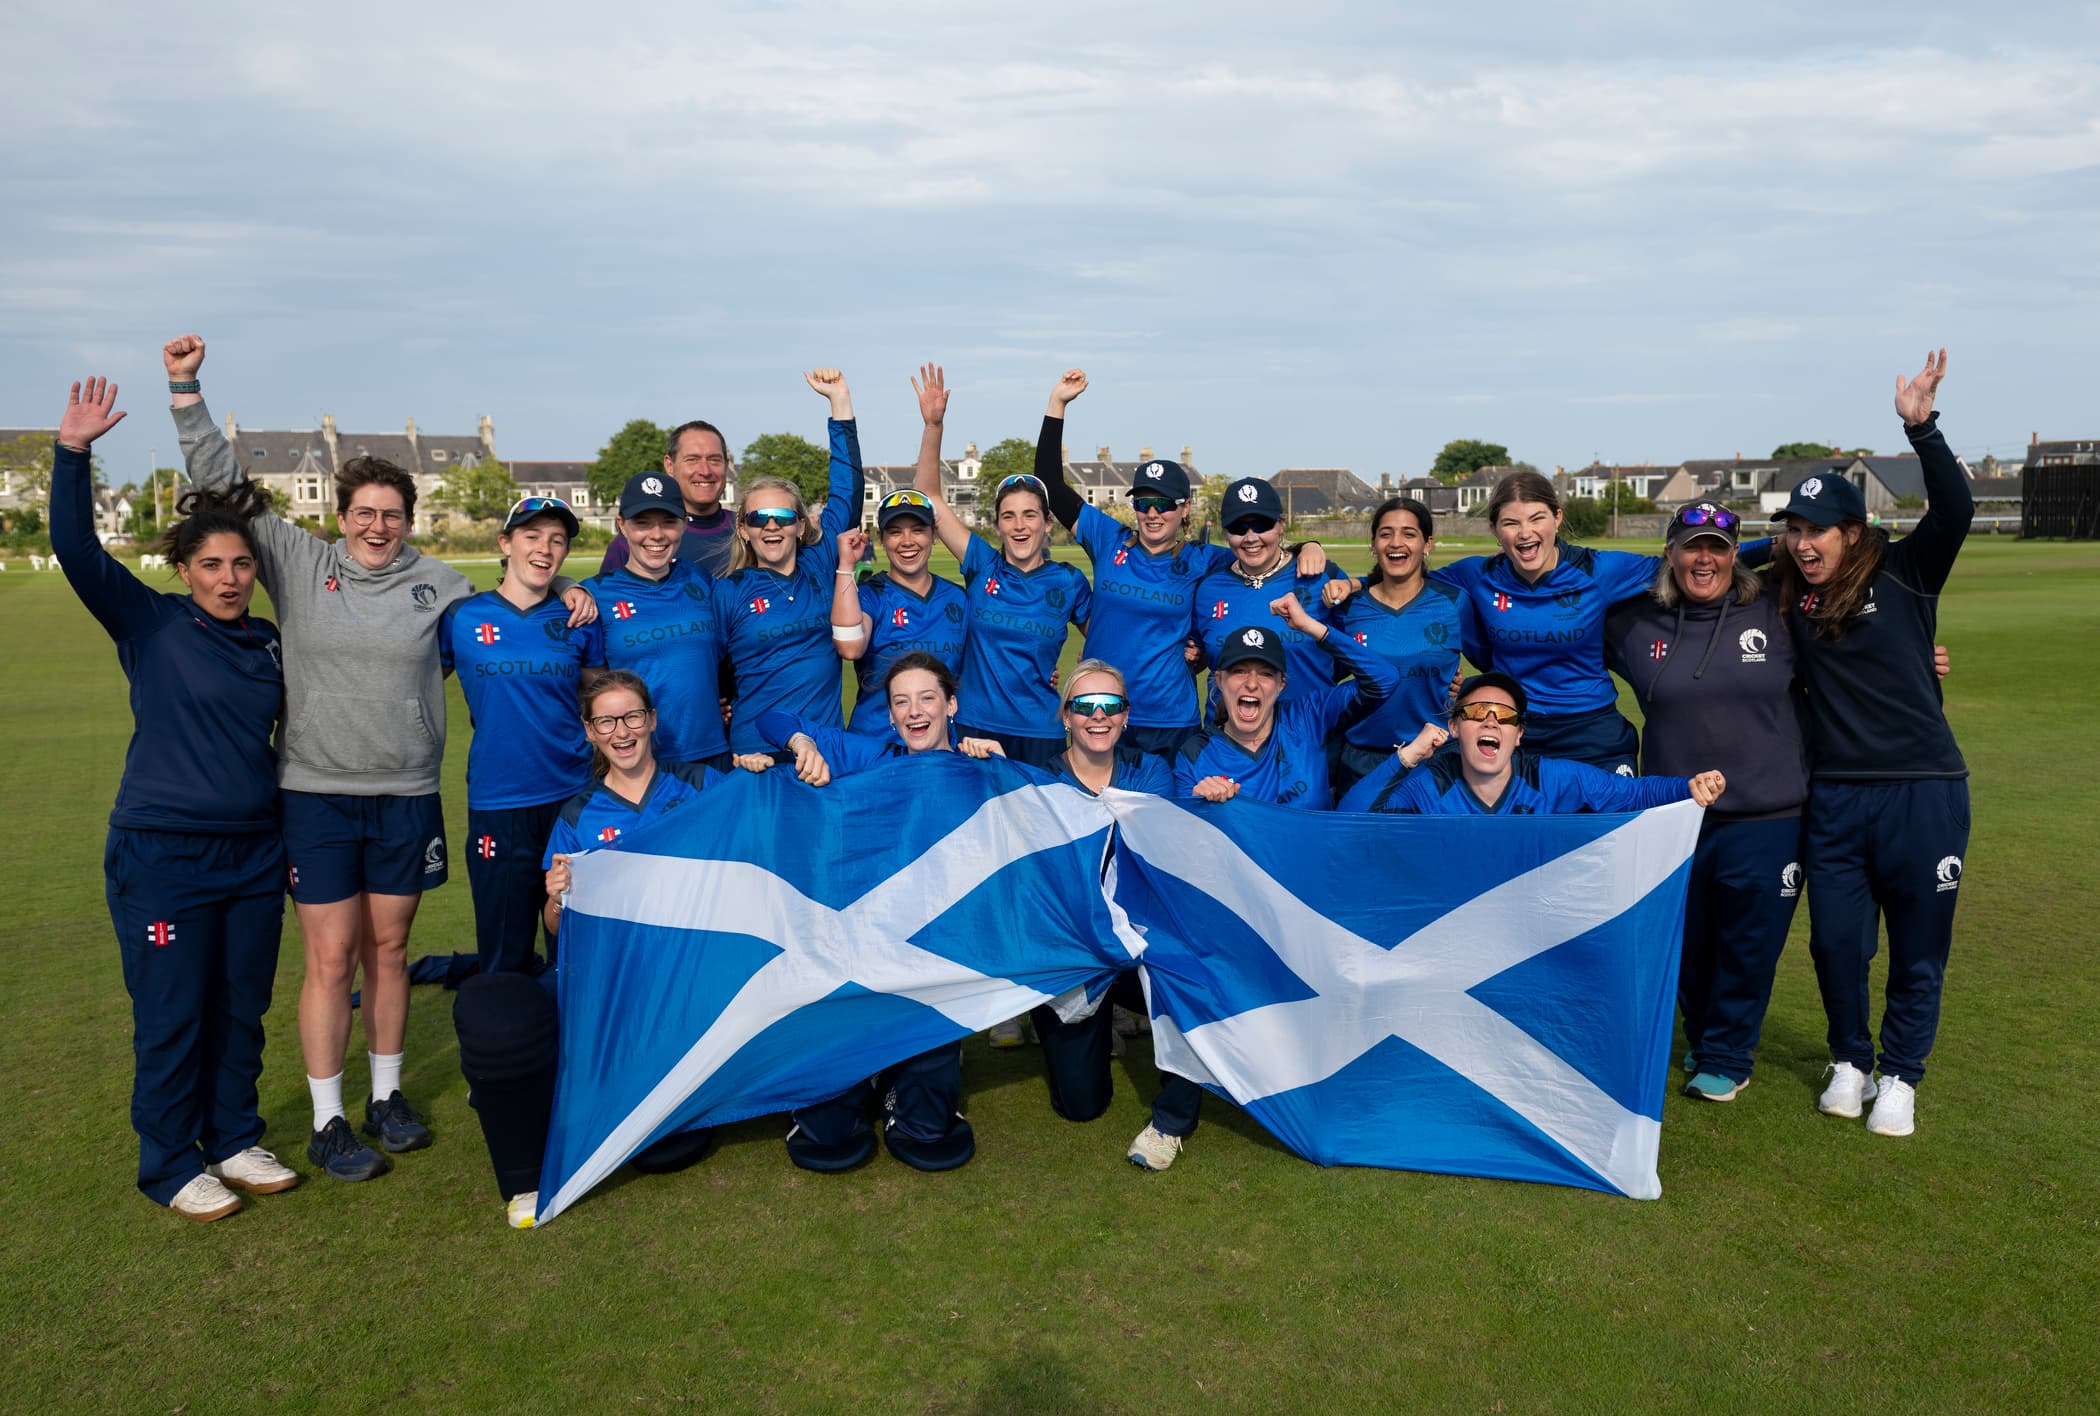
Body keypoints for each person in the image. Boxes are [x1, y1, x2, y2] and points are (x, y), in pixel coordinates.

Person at [166, 333, 596, 1183]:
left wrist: (575, 589)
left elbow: (519, 609)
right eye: (363, 512)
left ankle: (387, 1096)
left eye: (391, 515)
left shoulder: (441, 584)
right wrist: (186, 391)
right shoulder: (297, 561)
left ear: (409, 522)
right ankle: (328, 1118)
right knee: (331, 958)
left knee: (390, 951)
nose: (376, 525)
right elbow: (222, 484)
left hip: (405, 794)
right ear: (340, 518)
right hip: (317, 793)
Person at [51, 376, 298, 1221]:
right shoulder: (150, 623)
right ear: (184, 569)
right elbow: (79, 551)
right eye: (211, 566)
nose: (229, 578)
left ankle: (232, 1137)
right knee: (171, 1013)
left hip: (254, 856)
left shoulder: (267, 641)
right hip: (163, 856)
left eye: (240, 565)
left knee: (240, 1007)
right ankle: (168, 1161)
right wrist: (73, 454)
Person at [1776, 349, 1972, 1139]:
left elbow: (1954, 508)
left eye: (1816, 530)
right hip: (1835, 795)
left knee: (1918, 949)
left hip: (1923, 789)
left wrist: (1920, 429)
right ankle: (1850, 1060)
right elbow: (1709, 563)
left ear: (1852, 532)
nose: (1801, 542)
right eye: (1793, 530)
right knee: (1835, 945)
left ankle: (1902, 1076)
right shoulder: (1791, 591)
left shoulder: (1904, 570)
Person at [457, 670, 727, 1229]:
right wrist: (555, 899)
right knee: (501, 1017)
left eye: (632, 717)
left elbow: (757, 832)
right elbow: (556, 927)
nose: (622, 731)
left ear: (651, 721)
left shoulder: (701, 785)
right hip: (608, 976)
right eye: (607, 721)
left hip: (688, 971)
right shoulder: (577, 815)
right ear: (590, 731)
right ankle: (525, 1171)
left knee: (668, 1144)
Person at [742, 653, 982, 1173]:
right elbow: (774, 720)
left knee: (927, 1118)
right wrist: (801, 743)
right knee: (828, 1127)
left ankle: (900, 1080)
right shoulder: (869, 754)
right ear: (890, 715)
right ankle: (865, 1071)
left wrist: (995, 766)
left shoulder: (977, 768)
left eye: (927, 699)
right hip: (856, 944)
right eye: (901, 702)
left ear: (951, 704)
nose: (914, 712)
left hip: (933, 954)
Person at [1602, 503, 1805, 1101]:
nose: (1705, 559)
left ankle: (1728, 1053)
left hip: (1767, 813)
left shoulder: (1776, 610)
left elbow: (1851, 648)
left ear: (1734, 553)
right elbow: (1557, 640)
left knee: (1748, 942)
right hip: (1674, 811)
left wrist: (1921, 667)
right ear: (1670, 552)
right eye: (1692, 546)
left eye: (1719, 547)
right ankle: (1704, 1033)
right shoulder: (1633, 623)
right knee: (1685, 940)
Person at [1035, 370, 1326, 755]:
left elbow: (1259, 549)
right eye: (1142, 504)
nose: (1152, 514)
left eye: (1164, 504)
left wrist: (1309, 543)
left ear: (1185, 508)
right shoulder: (1108, 539)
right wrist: (1057, 405)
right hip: (1103, 712)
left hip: (1171, 720)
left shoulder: (1203, 559)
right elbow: (1049, 486)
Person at [995, 659, 1204, 1171]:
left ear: (1126, 716)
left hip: (1135, 944)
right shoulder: (1038, 778)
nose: (1098, 715)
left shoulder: (1150, 771)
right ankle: (1076, 1010)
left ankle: (1172, 1121)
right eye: (1084, 705)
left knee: (1198, 985)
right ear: (1065, 716)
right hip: (1073, 952)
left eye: (1110, 705)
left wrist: (1210, 800)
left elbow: (1176, 844)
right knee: (1081, 1107)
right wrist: (978, 761)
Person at [1428, 473, 1770, 773]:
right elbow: (1405, 587)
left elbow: (1686, 562)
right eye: (1511, 523)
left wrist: (1777, 547)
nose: (1525, 533)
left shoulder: (1599, 570)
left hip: (1593, 734)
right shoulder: (1477, 574)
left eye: (1537, 519)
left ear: (1558, 518)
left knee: (1612, 841)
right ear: (1494, 529)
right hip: (1517, 734)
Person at [440, 495, 606, 975]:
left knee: (574, 947)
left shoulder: (578, 619)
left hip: (572, 799)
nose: (545, 548)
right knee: (504, 953)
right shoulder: (462, 618)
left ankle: (573, 1050)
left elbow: (596, 699)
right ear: (505, 543)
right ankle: (506, 1048)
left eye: (557, 540)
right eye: (532, 536)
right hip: (498, 803)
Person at [911, 366, 1092, 770]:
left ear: (1048, 523)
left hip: (1042, 733)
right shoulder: (981, 563)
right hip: (975, 728)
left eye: (1030, 515)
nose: (1019, 525)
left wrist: (1079, 676)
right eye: (1009, 516)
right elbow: (929, 498)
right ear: (997, 525)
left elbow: (1106, 640)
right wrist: (933, 425)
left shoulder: (1068, 582)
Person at [715, 369, 866, 756]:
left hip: (826, 747)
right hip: (757, 752)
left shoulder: (819, 564)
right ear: (743, 529)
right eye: (757, 518)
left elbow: (846, 491)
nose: (770, 526)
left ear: (800, 525)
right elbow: (703, 667)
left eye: (782, 518)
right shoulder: (729, 591)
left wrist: (840, 404)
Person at [1342, 673, 1725, 815]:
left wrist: (1686, 788)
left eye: (1505, 716)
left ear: (1519, 735)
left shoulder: (1550, 778)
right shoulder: (1430, 782)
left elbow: (1631, 795)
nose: (1492, 719)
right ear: (1454, 727)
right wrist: (1408, 756)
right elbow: (1351, 819)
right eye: (1477, 711)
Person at [1175, 596, 1399, 809]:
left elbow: (1385, 679)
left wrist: (1312, 628)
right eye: (1239, 671)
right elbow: (1186, 836)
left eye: (1265, 674)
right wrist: (1198, 803)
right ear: (1220, 680)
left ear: (1281, 684)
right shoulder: (1195, 754)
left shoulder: (1307, 717)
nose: (1252, 684)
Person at [1320, 496, 1466, 797]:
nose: (1396, 543)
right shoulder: (1348, 607)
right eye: (1385, 534)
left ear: (1427, 544)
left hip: (1436, 759)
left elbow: (1494, 662)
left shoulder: (1455, 601)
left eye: (1409, 534)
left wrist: (1463, 691)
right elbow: (1324, 677)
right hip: (1362, 760)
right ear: (1373, 545)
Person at [587, 470, 732, 768]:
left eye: (668, 522)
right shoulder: (593, 595)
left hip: (712, 754)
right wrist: (564, 587)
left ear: (683, 524)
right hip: (639, 764)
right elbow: (590, 685)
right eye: (642, 523)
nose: (657, 535)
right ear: (621, 526)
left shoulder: (701, 581)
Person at [1191, 477, 1348, 710]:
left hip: (1310, 733)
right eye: (1239, 528)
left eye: (1262, 525)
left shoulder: (1322, 576)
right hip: (1230, 737)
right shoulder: (1208, 587)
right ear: (1225, 533)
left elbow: (1353, 654)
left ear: (1281, 524)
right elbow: (1199, 656)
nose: (1251, 537)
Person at [831, 489, 968, 738]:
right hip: (875, 748)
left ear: (934, 535)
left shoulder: (957, 598)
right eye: (895, 532)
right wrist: (846, 566)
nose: (907, 541)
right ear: (882, 539)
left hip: (938, 750)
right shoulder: (869, 595)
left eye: (917, 530)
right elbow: (850, 647)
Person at [599, 419, 740, 577]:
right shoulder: (634, 541)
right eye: (692, 460)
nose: (705, 471)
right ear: (669, 465)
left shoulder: (750, 531)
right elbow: (605, 595)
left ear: (726, 465)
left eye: (714, 460)